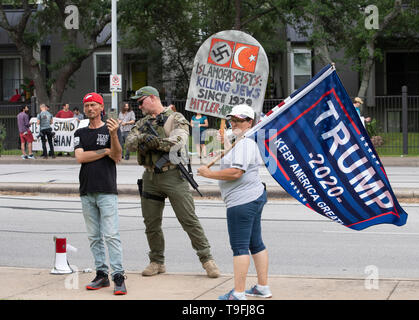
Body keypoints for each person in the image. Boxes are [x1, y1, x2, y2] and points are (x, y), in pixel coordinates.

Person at [126, 85, 220, 278]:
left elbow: (177, 143)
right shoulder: (142, 123)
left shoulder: (176, 118)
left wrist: (151, 142)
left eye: (141, 101)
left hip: (173, 175)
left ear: (152, 98)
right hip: (150, 176)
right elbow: (129, 143)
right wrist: (145, 138)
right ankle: (156, 262)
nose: (139, 105)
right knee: (151, 223)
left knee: (189, 220)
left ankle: (207, 260)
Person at [197, 104, 271, 300]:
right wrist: (228, 145)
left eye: (239, 120)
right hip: (251, 197)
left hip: (242, 202)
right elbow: (236, 160)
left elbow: (236, 172)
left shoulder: (246, 143)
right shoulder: (242, 142)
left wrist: (209, 174)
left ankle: (238, 293)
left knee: (240, 248)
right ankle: (263, 287)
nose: (234, 123)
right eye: (232, 120)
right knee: (256, 244)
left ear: (249, 122)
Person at [73, 92, 127, 295]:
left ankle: (119, 277)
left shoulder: (111, 129)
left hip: (106, 189)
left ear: (101, 107)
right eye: (87, 106)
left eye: (94, 105)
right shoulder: (80, 133)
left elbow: (117, 156)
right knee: (94, 237)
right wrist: (103, 151)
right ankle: (101, 274)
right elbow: (80, 157)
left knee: (111, 235)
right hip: (87, 190)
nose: (90, 109)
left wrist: (113, 136)